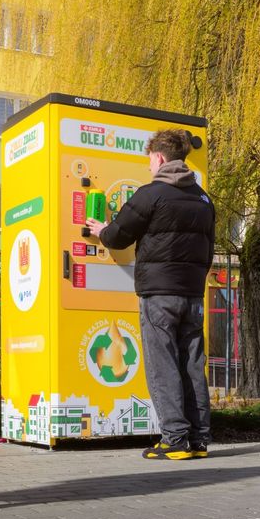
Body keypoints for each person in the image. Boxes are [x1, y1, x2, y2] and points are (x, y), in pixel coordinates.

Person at [86, 129, 215, 460]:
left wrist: (101, 230)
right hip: (192, 295)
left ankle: (175, 440)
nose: (148, 167)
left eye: (149, 161)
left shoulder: (151, 194)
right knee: (192, 364)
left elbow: (119, 236)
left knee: (163, 364)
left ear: (158, 158)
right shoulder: (203, 200)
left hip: (159, 295)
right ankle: (198, 440)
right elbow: (209, 250)